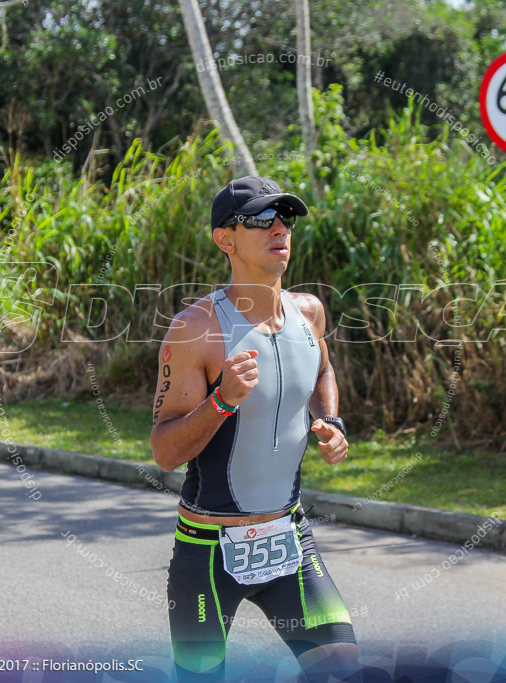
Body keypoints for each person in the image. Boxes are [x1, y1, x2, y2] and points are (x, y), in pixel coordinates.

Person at [150, 176, 359, 681]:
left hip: (289, 537)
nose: (280, 228)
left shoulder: (308, 313)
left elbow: (322, 369)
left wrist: (327, 419)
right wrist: (222, 400)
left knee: (343, 667)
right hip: (209, 551)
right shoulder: (196, 330)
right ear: (225, 239)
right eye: (262, 220)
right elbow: (164, 452)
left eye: (285, 218)